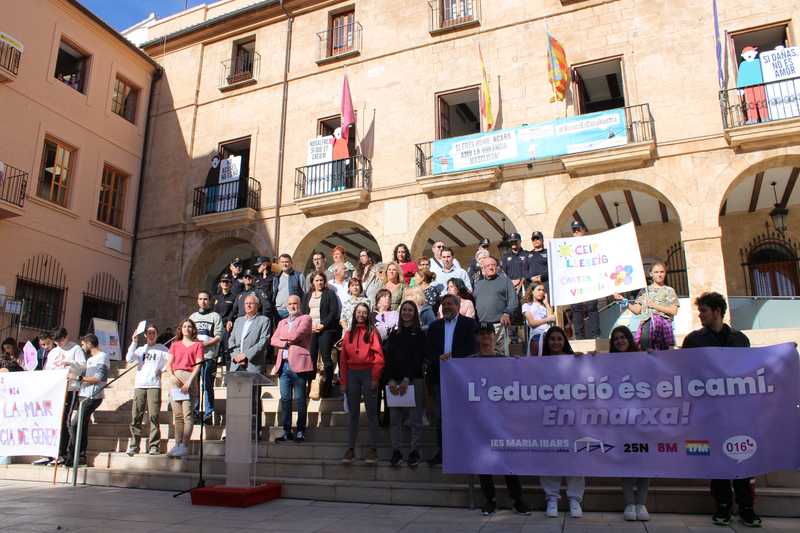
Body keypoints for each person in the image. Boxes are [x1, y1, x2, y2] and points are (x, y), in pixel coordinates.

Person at [681, 292, 761, 527]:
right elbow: (681, 370)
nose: (700, 314)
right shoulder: (693, 340)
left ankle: (747, 507)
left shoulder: (739, 339)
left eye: (703, 310)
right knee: (717, 459)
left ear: (717, 311)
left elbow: (751, 369)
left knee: (743, 459)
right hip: (710, 414)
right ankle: (723, 506)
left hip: (739, 413)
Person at [475, 323, 532, 516]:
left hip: (503, 420)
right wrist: (447, 362)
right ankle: (489, 500)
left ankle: (517, 500)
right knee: (484, 462)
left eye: (488, 334)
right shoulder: (469, 362)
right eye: (482, 334)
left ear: (494, 336)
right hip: (481, 420)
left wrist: (518, 365)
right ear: (477, 338)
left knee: (509, 460)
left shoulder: (506, 360)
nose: (485, 338)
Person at [426, 293, 479, 466]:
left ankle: (464, 450)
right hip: (440, 377)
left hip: (462, 378)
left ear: (458, 306)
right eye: (444, 304)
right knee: (441, 417)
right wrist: (440, 359)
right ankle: (443, 452)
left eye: (450, 304)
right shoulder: (434, 327)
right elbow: (429, 351)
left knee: (463, 416)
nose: (447, 307)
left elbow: (472, 348)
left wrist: (451, 358)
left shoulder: (470, 324)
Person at [539, 326, 585, 517]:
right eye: (552, 339)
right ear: (547, 342)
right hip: (548, 419)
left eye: (559, 339)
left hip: (572, 418)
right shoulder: (538, 365)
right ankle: (551, 498)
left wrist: (591, 358)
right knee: (550, 458)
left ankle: (575, 499)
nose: (556, 342)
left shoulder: (576, 362)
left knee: (576, 458)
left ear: (565, 341)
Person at [605, 326, 650, 521]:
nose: (620, 341)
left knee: (644, 464)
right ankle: (629, 503)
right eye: (616, 339)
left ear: (629, 339)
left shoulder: (643, 359)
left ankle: (641, 503)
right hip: (620, 421)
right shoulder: (607, 363)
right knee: (627, 464)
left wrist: (657, 359)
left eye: (623, 337)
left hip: (643, 419)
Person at [382, 301, 427, 468]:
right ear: (400, 313)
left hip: (413, 381)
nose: (407, 313)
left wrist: (407, 379)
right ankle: (397, 451)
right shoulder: (394, 335)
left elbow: (418, 358)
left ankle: (415, 451)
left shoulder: (420, 334)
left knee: (415, 420)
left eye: (410, 310)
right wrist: (391, 380)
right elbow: (389, 360)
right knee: (395, 420)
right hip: (395, 382)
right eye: (404, 310)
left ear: (415, 314)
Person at [340, 302, 385, 465]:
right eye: (358, 312)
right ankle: (350, 448)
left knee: (372, 413)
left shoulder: (372, 332)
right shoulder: (348, 333)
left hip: (368, 373)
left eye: (364, 312)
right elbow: (343, 360)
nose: (361, 315)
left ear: (368, 315)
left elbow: (379, 357)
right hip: (352, 374)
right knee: (353, 414)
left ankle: (373, 448)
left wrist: (374, 378)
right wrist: (343, 381)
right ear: (354, 314)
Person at [34, 328, 86, 466]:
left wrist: (70, 363)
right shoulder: (54, 352)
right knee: (54, 421)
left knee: (66, 421)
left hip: (70, 389)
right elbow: (48, 370)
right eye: (57, 341)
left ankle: (65, 454)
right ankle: (52, 453)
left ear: (66, 336)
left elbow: (83, 366)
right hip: (56, 390)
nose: (60, 344)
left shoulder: (75, 349)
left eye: (61, 340)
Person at [270, 295, 313, 442]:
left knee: (300, 399)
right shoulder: (282, 322)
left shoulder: (306, 319)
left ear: (300, 304)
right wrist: (284, 343)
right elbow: (272, 340)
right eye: (289, 304)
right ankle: (287, 431)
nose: (292, 306)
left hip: (299, 365)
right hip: (283, 366)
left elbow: (296, 335)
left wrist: (283, 338)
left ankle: (300, 430)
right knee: (286, 399)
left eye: (295, 303)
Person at [62, 334, 109, 467]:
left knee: (75, 424)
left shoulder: (102, 357)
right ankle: (80, 455)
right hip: (84, 394)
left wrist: (78, 378)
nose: (82, 347)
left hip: (93, 396)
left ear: (89, 343)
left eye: (83, 344)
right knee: (81, 424)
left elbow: (99, 377)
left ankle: (74, 455)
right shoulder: (90, 359)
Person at [125, 324, 169, 456]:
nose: (151, 335)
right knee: (136, 416)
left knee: (154, 416)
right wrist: (134, 342)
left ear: (156, 334)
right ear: (145, 335)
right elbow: (129, 358)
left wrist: (162, 369)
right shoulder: (140, 350)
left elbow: (171, 360)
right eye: (148, 333)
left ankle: (154, 445)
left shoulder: (162, 349)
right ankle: (134, 445)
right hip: (140, 385)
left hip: (154, 385)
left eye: (153, 333)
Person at [615, 261, 679, 350]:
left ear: (665, 273)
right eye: (656, 272)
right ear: (651, 274)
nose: (659, 275)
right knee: (646, 354)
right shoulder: (644, 291)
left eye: (662, 272)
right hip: (646, 327)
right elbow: (637, 310)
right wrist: (623, 300)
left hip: (663, 328)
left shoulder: (669, 290)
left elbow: (673, 311)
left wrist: (654, 305)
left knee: (663, 355)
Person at [166, 319, 203, 458]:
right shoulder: (175, 344)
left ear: (193, 329)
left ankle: (184, 445)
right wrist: (171, 376)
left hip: (189, 378)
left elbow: (198, 365)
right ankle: (177, 444)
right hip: (175, 378)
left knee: (188, 414)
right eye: (184, 326)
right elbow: (169, 363)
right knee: (177, 415)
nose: (187, 328)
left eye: (189, 326)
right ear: (180, 329)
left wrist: (189, 381)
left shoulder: (198, 345)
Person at [303, 273, 340, 398]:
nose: (319, 282)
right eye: (316, 280)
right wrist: (309, 326)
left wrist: (323, 324)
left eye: (321, 280)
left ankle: (328, 385)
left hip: (326, 330)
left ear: (324, 282)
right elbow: (304, 312)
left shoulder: (330, 294)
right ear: (312, 282)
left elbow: (333, 312)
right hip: (311, 330)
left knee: (326, 359)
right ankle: (311, 385)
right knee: (311, 359)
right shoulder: (308, 295)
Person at [189, 291, 223, 424]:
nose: (203, 301)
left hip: (209, 356)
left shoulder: (215, 316)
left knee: (207, 385)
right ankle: (195, 412)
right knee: (195, 385)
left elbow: (218, 336)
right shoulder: (193, 317)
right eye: (200, 299)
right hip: (194, 358)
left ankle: (209, 413)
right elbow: (188, 334)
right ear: (197, 301)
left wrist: (203, 345)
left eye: (205, 299)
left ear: (210, 301)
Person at [473, 256, 516, 355]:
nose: (491, 267)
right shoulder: (478, 284)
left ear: (497, 267)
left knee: (501, 354)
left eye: (493, 265)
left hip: (499, 325)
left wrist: (507, 313)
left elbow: (513, 301)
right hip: (482, 326)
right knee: (483, 354)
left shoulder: (505, 281)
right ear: (483, 269)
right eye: (488, 266)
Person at [568, 220, 600, 340]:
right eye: (574, 230)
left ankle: (595, 334)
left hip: (590, 280)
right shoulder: (568, 246)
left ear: (583, 230)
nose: (576, 232)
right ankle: (579, 336)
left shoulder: (591, 244)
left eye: (578, 229)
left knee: (592, 307)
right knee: (576, 309)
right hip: (575, 281)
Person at [522, 283, 554, 356]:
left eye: (543, 290)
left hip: (547, 336)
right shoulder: (526, 305)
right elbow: (532, 323)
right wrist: (547, 319)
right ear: (532, 291)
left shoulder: (544, 306)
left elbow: (551, 319)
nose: (541, 292)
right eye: (539, 290)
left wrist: (546, 303)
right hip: (536, 337)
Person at [273, 254, 308, 320]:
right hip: (278, 311)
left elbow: (305, 294)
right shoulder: (276, 277)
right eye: (282, 262)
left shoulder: (299, 276)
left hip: (292, 310)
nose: (285, 264)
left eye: (287, 262)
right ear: (279, 264)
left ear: (291, 263)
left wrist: (302, 310)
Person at [253, 255, 276, 321]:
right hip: (258, 309)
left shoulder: (274, 277)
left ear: (264, 265)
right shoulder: (257, 278)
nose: (257, 267)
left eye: (258, 265)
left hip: (269, 309)